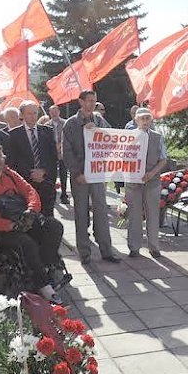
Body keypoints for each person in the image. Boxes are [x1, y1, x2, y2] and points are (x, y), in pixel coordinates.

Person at [0, 143, 63, 304]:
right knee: (26, 243)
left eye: (1, 156)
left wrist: (31, 210)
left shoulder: (9, 173)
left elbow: (30, 191)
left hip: (20, 218)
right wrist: (8, 225)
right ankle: (43, 284)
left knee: (53, 226)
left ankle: (44, 266)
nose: (0, 160)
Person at [62, 90, 120, 264]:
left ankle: (106, 251)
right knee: (81, 213)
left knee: (101, 211)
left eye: (94, 101)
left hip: (97, 173)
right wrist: (77, 173)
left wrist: (99, 131)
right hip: (80, 176)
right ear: (80, 102)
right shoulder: (71, 124)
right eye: (88, 101)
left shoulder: (99, 120)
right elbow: (67, 151)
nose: (91, 105)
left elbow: (113, 138)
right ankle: (85, 252)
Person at [125, 108, 168, 259]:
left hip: (153, 181)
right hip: (133, 183)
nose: (145, 121)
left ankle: (154, 247)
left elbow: (163, 159)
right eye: (142, 118)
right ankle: (134, 247)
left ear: (151, 120)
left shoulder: (157, 137)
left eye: (147, 118)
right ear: (136, 120)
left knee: (153, 214)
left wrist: (152, 173)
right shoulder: (128, 137)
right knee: (134, 215)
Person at [9, 100, 59, 217]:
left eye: (35, 113)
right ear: (22, 115)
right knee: (30, 218)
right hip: (25, 183)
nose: (33, 116)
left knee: (47, 217)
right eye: (29, 114)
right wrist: (30, 173)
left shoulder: (47, 131)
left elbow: (53, 156)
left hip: (45, 182)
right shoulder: (13, 135)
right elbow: (13, 161)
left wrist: (43, 171)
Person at [48, 104, 70, 205]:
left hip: (63, 153)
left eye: (55, 112)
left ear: (59, 112)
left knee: (63, 174)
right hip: (51, 153)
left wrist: (61, 144)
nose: (54, 114)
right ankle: (52, 194)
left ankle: (64, 194)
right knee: (51, 174)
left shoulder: (65, 123)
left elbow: (69, 137)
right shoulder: (47, 125)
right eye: (52, 112)